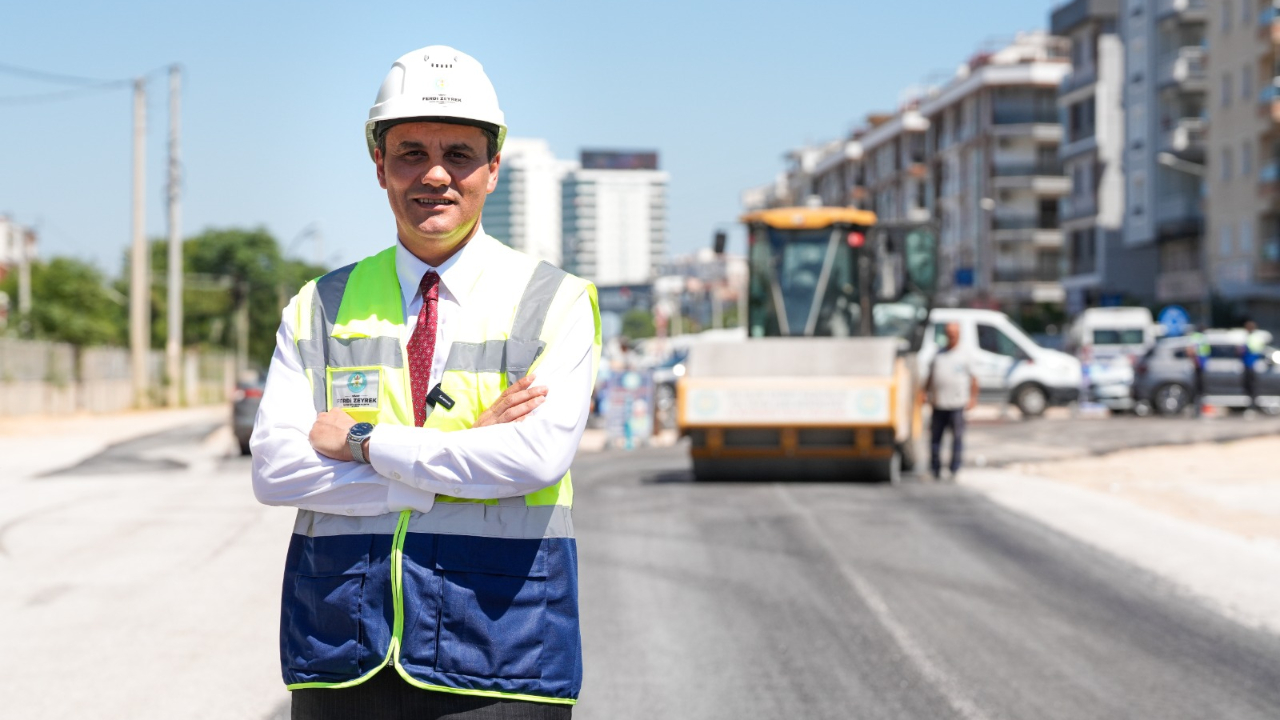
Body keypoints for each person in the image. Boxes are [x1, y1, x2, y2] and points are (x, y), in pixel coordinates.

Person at [251, 45, 601, 719]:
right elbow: (275, 470)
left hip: (502, 654)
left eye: (459, 154)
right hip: (342, 654)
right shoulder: (319, 305)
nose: (435, 174)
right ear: (379, 164)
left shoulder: (553, 302)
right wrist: (459, 457)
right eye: (411, 152)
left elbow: (533, 459)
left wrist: (362, 443)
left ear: (492, 169)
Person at [921, 322, 979, 480]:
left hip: (957, 405)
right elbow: (930, 376)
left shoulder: (965, 355)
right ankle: (935, 469)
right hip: (939, 404)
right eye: (949, 333)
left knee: (957, 438)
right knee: (935, 439)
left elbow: (974, 379)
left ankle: (954, 468)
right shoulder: (938, 354)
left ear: (958, 335)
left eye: (954, 333)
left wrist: (973, 398)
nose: (951, 336)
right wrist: (924, 392)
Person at [1241, 319, 1267, 411]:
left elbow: (1256, 351)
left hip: (1251, 365)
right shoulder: (1250, 337)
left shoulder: (1254, 338)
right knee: (1249, 387)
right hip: (1249, 365)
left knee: (1252, 387)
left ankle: (1253, 406)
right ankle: (1252, 405)